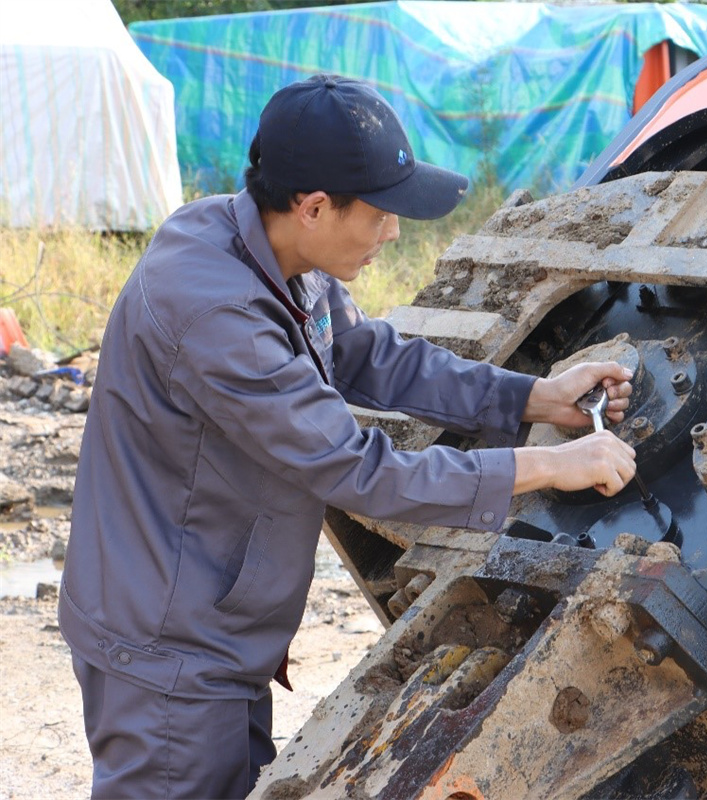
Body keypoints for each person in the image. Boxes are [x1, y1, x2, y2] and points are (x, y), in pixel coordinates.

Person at [58, 74, 637, 800]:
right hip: (168, 650)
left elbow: (366, 353)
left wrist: (530, 396)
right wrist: (550, 464)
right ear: (313, 208)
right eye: (382, 215)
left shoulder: (269, 251)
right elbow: (362, 471)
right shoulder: (215, 315)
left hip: (212, 625)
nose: (394, 233)